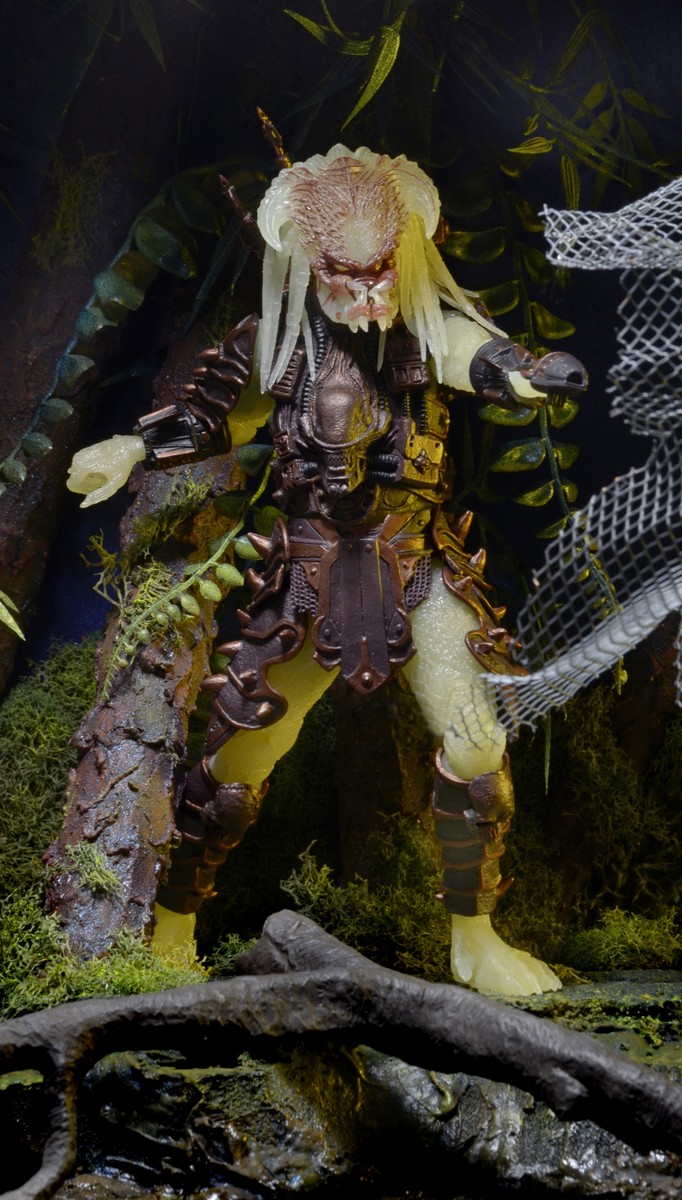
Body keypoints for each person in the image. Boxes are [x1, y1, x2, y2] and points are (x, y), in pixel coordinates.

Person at [68, 145, 587, 994]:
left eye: (379, 270)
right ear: (308, 261)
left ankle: (474, 938)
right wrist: (129, 447)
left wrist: (527, 375)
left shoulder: (428, 330)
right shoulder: (274, 344)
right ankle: (171, 930)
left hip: (418, 562)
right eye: (346, 274)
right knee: (238, 768)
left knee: (479, 743)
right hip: (308, 573)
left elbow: (478, 356)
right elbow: (215, 419)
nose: (368, 292)